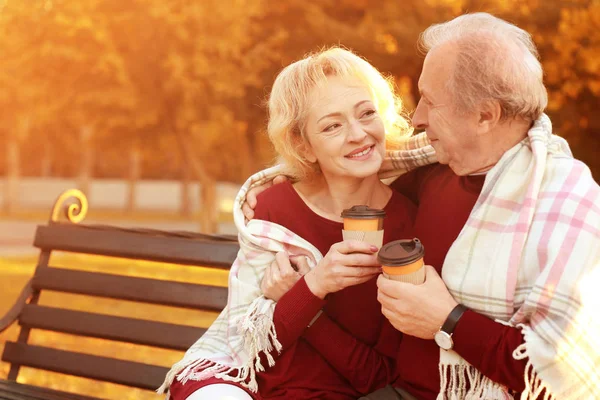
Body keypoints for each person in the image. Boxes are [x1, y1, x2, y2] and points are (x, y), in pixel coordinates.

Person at [242, 13, 600, 400]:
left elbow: (564, 375)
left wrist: (449, 320)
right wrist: (279, 182)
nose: (418, 118)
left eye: (431, 101)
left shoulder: (567, 208)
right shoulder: (431, 176)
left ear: (484, 115)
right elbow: (358, 169)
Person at [158, 47, 429, 399]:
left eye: (366, 114)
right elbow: (249, 349)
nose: (358, 134)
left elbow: (377, 376)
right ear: (304, 146)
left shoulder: (408, 228)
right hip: (241, 384)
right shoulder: (273, 209)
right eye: (332, 126)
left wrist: (307, 294)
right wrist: (315, 284)